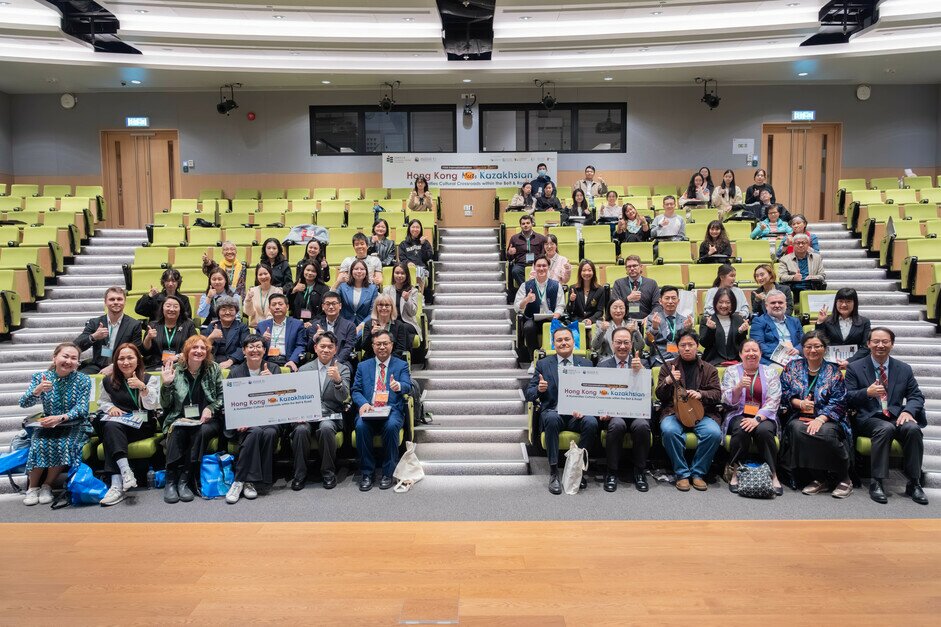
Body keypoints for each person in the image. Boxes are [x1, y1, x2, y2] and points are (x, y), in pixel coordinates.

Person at [845, 327, 927, 504]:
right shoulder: (855, 367)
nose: (880, 345)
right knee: (885, 428)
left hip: (896, 415)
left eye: (885, 342)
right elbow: (847, 397)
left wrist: (907, 411)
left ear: (892, 344)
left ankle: (914, 482)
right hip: (868, 417)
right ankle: (877, 481)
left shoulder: (903, 368)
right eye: (876, 341)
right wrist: (866, 392)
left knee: (913, 428)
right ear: (868, 344)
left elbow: (916, 396)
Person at [525, 326, 599, 495]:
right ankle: (553, 473)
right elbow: (529, 394)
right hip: (554, 413)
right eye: (559, 340)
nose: (563, 343)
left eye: (567, 339)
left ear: (574, 342)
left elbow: (594, 394)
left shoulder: (586, 364)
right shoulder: (543, 364)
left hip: (577, 416)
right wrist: (539, 390)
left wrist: (585, 408)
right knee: (550, 418)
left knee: (591, 421)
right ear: (553, 343)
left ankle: (576, 470)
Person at [779, 331, 852, 498]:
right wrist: (799, 403)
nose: (813, 350)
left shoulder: (833, 371)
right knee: (798, 429)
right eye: (808, 346)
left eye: (817, 346)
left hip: (829, 417)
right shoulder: (792, 367)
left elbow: (839, 401)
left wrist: (820, 419)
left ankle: (844, 477)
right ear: (803, 349)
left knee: (824, 432)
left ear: (824, 349)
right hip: (798, 415)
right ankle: (819, 478)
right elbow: (782, 392)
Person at [18, 342, 92, 506]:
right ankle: (32, 487)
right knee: (38, 443)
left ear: (78, 363)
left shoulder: (83, 380)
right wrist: (36, 391)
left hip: (74, 423)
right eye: (65, 356)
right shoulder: (41, 377)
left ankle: (47, 485)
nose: (69, 361)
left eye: (74, 358)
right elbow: (23, 403)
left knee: (63, 443)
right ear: (55, 358)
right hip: (48, 423)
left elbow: (82, 408)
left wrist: (62, 417)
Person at [160, 335, 224, 504]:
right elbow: (165, 404)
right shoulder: (175, 369)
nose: (199, 351)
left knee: (200, 431)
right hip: (180, 418)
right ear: (187, 350)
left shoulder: (214, 369)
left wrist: (210, 408)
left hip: (208, 420)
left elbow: (221, 396)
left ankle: (184, 480)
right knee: (177, 430)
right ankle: (170, 481)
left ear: (207, 352)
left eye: (203, 348)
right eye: (195, 347)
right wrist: (166, 385)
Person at [656, 330, 723, 491]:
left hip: (703, 413)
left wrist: (701, 394)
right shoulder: (668, 367)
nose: (687, 348)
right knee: (669, 430)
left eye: (690, 345)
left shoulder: (709, 369)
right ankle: (682, 474)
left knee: (713, 433)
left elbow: (717, 394)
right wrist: (667, 381)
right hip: (674, 412)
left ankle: (698, 473)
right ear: (677, 347)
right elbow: (660, 395)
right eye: (683, 345)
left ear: (697, 346)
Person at [95, 343, 160, 506]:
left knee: (110, 433)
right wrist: (111, 408)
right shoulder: (108, 381)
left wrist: (143, 388)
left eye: (130, 358)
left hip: (143, 425)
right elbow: (102, 402)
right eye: (121, 358)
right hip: (119, 424)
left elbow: (153, 405)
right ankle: (125, 474)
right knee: (111, 428)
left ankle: (117, 484)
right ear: (115, 362)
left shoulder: (149, 379)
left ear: (138, 360)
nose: (126, 362)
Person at [224, 335, 282, 505]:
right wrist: (238, 420)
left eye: (259, 346)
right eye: (250, 347)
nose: (255, 350)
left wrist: (272, 383)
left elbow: (282, 400)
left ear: (265, 350)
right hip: (244, 422)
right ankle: (243, 480)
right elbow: (230, 402)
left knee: (270, 432)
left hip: (269, 417)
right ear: (243, 351)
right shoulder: (235, 372)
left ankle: (252, 481)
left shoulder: (274, 368)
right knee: (255, 431)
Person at [352, 330, 412, 491]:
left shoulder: (401, 365)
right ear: (372, 346)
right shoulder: (363, 366)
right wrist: (363, 403)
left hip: (391, 410)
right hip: (370, 409)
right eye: (378, 344)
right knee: (361, 427)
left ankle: (388, 473)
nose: (382, 347)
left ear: (392, 345)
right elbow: (356, 390)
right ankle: (367, 473)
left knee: (392, 426)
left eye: (385, 343)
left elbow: (408, 386)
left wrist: (399, 386)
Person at [720, 339, 783, 494]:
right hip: (738, 413)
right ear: (741, 354)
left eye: (755, 350)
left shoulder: (770, 372)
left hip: (764, 415)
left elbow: (774, 399)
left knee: (764, 431)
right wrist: (738, 386)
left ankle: (774, 474)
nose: (751, 353)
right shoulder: (731, 371)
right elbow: (725, 399)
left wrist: (757, 419)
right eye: (747, 350)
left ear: (761, 354)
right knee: (741, 429)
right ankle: (735, 472)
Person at [294, 332, 351, 491]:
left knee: (326, 428)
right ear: (315, 348)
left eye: (330, 347)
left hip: (331, 415)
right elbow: (297, 397)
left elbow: (344, 397)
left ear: (335, 350)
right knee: (300, 430)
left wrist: (338, 381)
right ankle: (300, 474)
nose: (326, 350)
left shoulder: (342, 369)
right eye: (322, 346)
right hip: (307, 414)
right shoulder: (304, 369)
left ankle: (328, 473)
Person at [596, 328, 651, 492]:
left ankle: (640, 471)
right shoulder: (603, 366)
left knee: (642, 426)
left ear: (632, 344)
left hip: (636, 413)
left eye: (626, 342)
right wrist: (602, 410)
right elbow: (598, 394)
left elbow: (650, 389)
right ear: (612, 344)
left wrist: (641, 371)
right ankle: (612, 471)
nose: (622, 346)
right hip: (614, 414)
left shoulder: (643, 363)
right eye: (618, 342)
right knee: (617, 425)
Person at [74, 287, 143, 376]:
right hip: (97, 365)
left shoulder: (134, 325)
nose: (116, 302)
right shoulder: (94, 323)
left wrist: (114, 366)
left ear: (125, 302)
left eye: (119, 299)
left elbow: (136, 351)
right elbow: (76, 345)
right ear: (105, 302)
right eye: (112, 299)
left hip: (123, 366)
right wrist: (94, 336)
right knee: (80, 377)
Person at [514, 256, 564, 358]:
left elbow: (561, 306)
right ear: (534, 267)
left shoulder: (556, 285)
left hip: (551, 318)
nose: (541, 268)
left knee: (559, 327)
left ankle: (556, 358)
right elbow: (517, 307)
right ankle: (534, 359)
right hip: (532, 319)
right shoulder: (525, 285)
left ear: (548, 268)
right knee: (528, 327)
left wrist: (556, 315)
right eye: (538, 266)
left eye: (544, 266)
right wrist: (526, 300)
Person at [814, 288, 871, 367]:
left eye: (848, 301)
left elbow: (866, 347)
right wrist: (820, 322)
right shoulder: (827, 320)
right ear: (836, 303)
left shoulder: (864, 322)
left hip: (855, 363)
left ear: (855, 303)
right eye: (840, 301)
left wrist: (849, 361)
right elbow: (819, 341)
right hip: (830, 363)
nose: (844, 305)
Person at [141, 295, 197, 370]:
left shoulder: (188, 325)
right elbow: (145, 352)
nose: (171, 309)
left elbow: (194, 347)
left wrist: (176, 357)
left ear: (180, 310)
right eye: (168, 306)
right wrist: (148, 338)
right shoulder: (153, 325)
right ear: (162, 308)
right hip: (156, 364)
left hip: (181, 363)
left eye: (175, 306)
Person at [750, 289, 803, 366]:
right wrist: (782, 357)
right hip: (771, 360)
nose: (777, 305)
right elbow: (758, 345)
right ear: (766, 306)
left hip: (795, 357)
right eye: (773, 303)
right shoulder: (758, 321)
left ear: (786, 304)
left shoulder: (795, 321)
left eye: (780, 302)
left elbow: (804, 341)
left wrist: (797, 350)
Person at [255, 293, 306, 372]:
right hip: (267, 360)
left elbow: (300, 346)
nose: (277, 307)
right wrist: (262, 340)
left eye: (280, 304)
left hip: (287, 360)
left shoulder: (297, 325)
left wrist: (293, 360)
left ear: (287, 307)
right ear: (269, 308)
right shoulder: (262, 326)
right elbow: (255, 346)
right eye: (274, 305)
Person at [644, 286, 694, 365]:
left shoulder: (685, 320)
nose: (670, 301)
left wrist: (688, 330)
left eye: (673, 298)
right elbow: (648, 343)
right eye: (667, 298)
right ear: (660, 301)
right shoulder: (652, 319)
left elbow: (690, 343)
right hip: (659, 359)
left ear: (678, 301)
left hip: (680, 358)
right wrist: (654, 328)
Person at [700, 287, 750, 365]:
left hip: (735, 361)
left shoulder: (739, 319)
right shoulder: (707, 319)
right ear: (715, 303)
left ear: (733, 303)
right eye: (720, 302)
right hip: (713, 361)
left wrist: (741, 332)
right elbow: (704, 344)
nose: (724, 305)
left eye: (728, 302)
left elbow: (742, 345)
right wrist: (711, 330)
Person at [308, 291, 357, 365]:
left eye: (334, 303)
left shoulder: (349, 326)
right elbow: (310, 350)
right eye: (327, 304)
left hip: (341, 362)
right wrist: (315, 338)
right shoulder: (315, 325)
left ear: (340, 306)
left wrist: (334, 363)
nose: (331, 307)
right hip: (319, 362)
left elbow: (348, 348)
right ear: (323, 307)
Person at [358, 293, 410, 360]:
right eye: (380, 305)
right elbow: (365, 348)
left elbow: (400, 349)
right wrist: (371, 335)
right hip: (372, 360)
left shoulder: (399, 325)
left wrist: (386, 361)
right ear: (376, 307)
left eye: (387, 305)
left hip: (392, 360)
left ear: (392, 308)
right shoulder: (369, 324)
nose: (384, 308)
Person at [202, 296, 249, 369]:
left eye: (231, 310)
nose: (227, 313)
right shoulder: (212, 326)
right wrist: (211, 337)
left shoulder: (242, 327)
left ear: (236, 312)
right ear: (218, 312)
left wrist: (230, 361)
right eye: (223, 310)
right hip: (212, 362)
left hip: (235, 363)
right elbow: (202, 347)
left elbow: (244, 347)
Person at [337, 259, 378, 336]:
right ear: (351, 271)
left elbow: (373, 312)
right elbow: (331, 299)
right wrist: (338, 282)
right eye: (356, 269)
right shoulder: (342, 287)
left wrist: (361, 326)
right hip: (344, 324)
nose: (359, 271)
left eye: (362, 269)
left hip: (364, 325)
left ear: (366, 272)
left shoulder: (373, 289)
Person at [611, 255, 659, 320]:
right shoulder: (618, 283)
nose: (632, 268)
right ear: (626, 269)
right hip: (624, 321)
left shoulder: (652, 283)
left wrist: (649, 318)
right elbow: (613, 305)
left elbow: (657, 305)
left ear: (641, 267)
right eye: (629, 266)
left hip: (646, 321)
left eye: (634, 265)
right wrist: (628, 299)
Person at [506, 214, 547, 291]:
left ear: (532, 224)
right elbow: (508, 257)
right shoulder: (514, 238)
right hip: (521, 264)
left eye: (528, 223)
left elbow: (543, 253)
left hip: (536, 264)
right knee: (515, 271)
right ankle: (529, 290)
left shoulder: (540, 238)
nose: (526, 225)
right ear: (520, 225)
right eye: (523, 223)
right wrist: (510, 253)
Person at [383, 262, 421, 344]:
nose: (399, 276)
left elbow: (413, 312)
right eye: (397, 273)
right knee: (398, 329)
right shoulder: (387, 290)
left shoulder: (413, 291)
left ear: (406, 275)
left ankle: (397, 353)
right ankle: (403, 353)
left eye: (402, 273)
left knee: (401, 327)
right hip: (392, 322)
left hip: (407, 322)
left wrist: (407, 300)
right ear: (393, 274)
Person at [566, 260, 606, 327]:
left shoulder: (600, 290)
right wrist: (571, 300)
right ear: (580, 272)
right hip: (577, 323)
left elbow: (600, 311)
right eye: (584, 270)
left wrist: (590, 320)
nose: (587, 273)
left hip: (593, 324)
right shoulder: (573, 288)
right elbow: (570, 311)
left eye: (589, 270)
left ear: (593, 272)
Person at [290, 261, 330, 326]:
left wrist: (312, 322)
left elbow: (324, 311)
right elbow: (288, 306)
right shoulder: (296, 285)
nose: (310, 273)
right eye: (307, 270)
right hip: (297, 322)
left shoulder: (324, 288)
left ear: (317, 273)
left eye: (313, 271)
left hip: (316, 323)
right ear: (303, 271)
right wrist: (293, 291)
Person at [398, 219, 434, 289]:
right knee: (414, 271)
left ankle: (419, 295)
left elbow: (428, 257)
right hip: (409, 269)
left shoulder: (425, 243)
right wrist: (408, 262)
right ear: (409, 229)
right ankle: (419, 296)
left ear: (420, 229)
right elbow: (402, 258)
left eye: (417, 227)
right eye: (413, 227)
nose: (415, 229)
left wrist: (422, 244)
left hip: (423, 269)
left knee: (419, 270)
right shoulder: (403, 244)